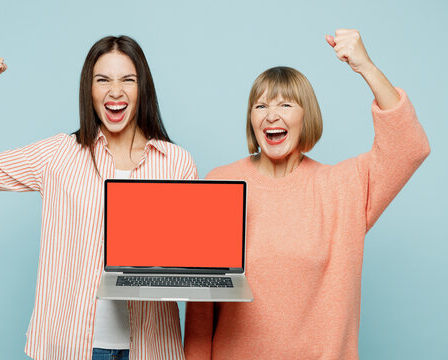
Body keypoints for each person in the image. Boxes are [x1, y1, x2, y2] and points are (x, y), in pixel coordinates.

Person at [0, 36, 196, 360]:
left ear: (143, 89)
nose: (115, 91)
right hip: (71, 346)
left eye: (128, 79)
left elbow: (184, 259)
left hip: (151, 348)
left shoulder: (176, 163)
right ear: (89, 89)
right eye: (103, 80)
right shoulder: (58, 155)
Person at [184, 29, 430, 359]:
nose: (272, 115)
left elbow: (409, 147)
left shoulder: (343, 188)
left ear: (306, 116)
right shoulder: (222, 182)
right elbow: (201, 309)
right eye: (261, 105)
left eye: (286, 104)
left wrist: (366, 66)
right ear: (252, 119)